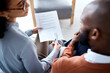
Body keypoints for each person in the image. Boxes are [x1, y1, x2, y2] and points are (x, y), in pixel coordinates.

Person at [0, 0, 61, 73]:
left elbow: (14, 42)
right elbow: (38, 71)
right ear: (3, 13)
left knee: (42, 33)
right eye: (21, 4)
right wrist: (55, 51)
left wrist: (30, 31)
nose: (28, 5)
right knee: (49, 37)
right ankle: (58, 43)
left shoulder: (5, 28)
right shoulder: (25, 43)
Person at [50, 0, 110, 73]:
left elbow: (64, 63)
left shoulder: (61, 66)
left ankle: (64, 44)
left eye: (82, 22)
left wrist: (71, 45)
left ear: (94, 34)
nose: (79, 27)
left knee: (73, 43)